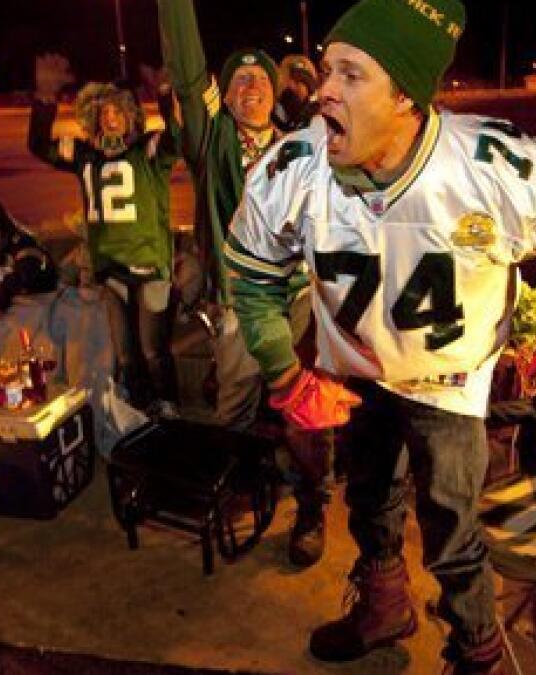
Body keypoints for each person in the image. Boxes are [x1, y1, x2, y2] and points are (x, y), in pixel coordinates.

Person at [226, 0, 536, 672]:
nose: (324, 88)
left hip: (450, 383)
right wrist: (283, 371)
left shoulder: (489, 166)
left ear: (406, 95)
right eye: (328, 69)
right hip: (357, 373)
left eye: (351, 74)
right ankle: (385, 605)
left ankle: (478, 648)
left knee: (452, 530)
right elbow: (255, 273)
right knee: (369, 499)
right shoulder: (294, 166)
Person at [158, 0, 332, 569]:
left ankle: (312, 507)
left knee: (303, 409)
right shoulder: (213, 144)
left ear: (273, 92)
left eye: (260, 77)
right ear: (226, 98)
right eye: (239, 79)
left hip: (299, 300)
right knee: (232, 404)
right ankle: (233, 486)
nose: (251, 85)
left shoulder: (299, 144)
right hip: (239, 304)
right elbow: (186, 77)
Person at [27, 54, 179, 416]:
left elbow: (178, 136)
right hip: (110, 268)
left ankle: (169, 405)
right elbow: (38, 146)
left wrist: (164, 92)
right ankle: (141, 409)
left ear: (130, 116)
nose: (110, 118)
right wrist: (45, 98)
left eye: (117, 111)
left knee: (152, 349)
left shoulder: (148, 149)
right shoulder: (85, 155)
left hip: (148, 265)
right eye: (103, 112)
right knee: (126, 353)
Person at [273, 54, 320, 134]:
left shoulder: (318, 110)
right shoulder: (276, 109)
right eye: (293, 80)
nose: (296, 86)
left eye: (302, 82)